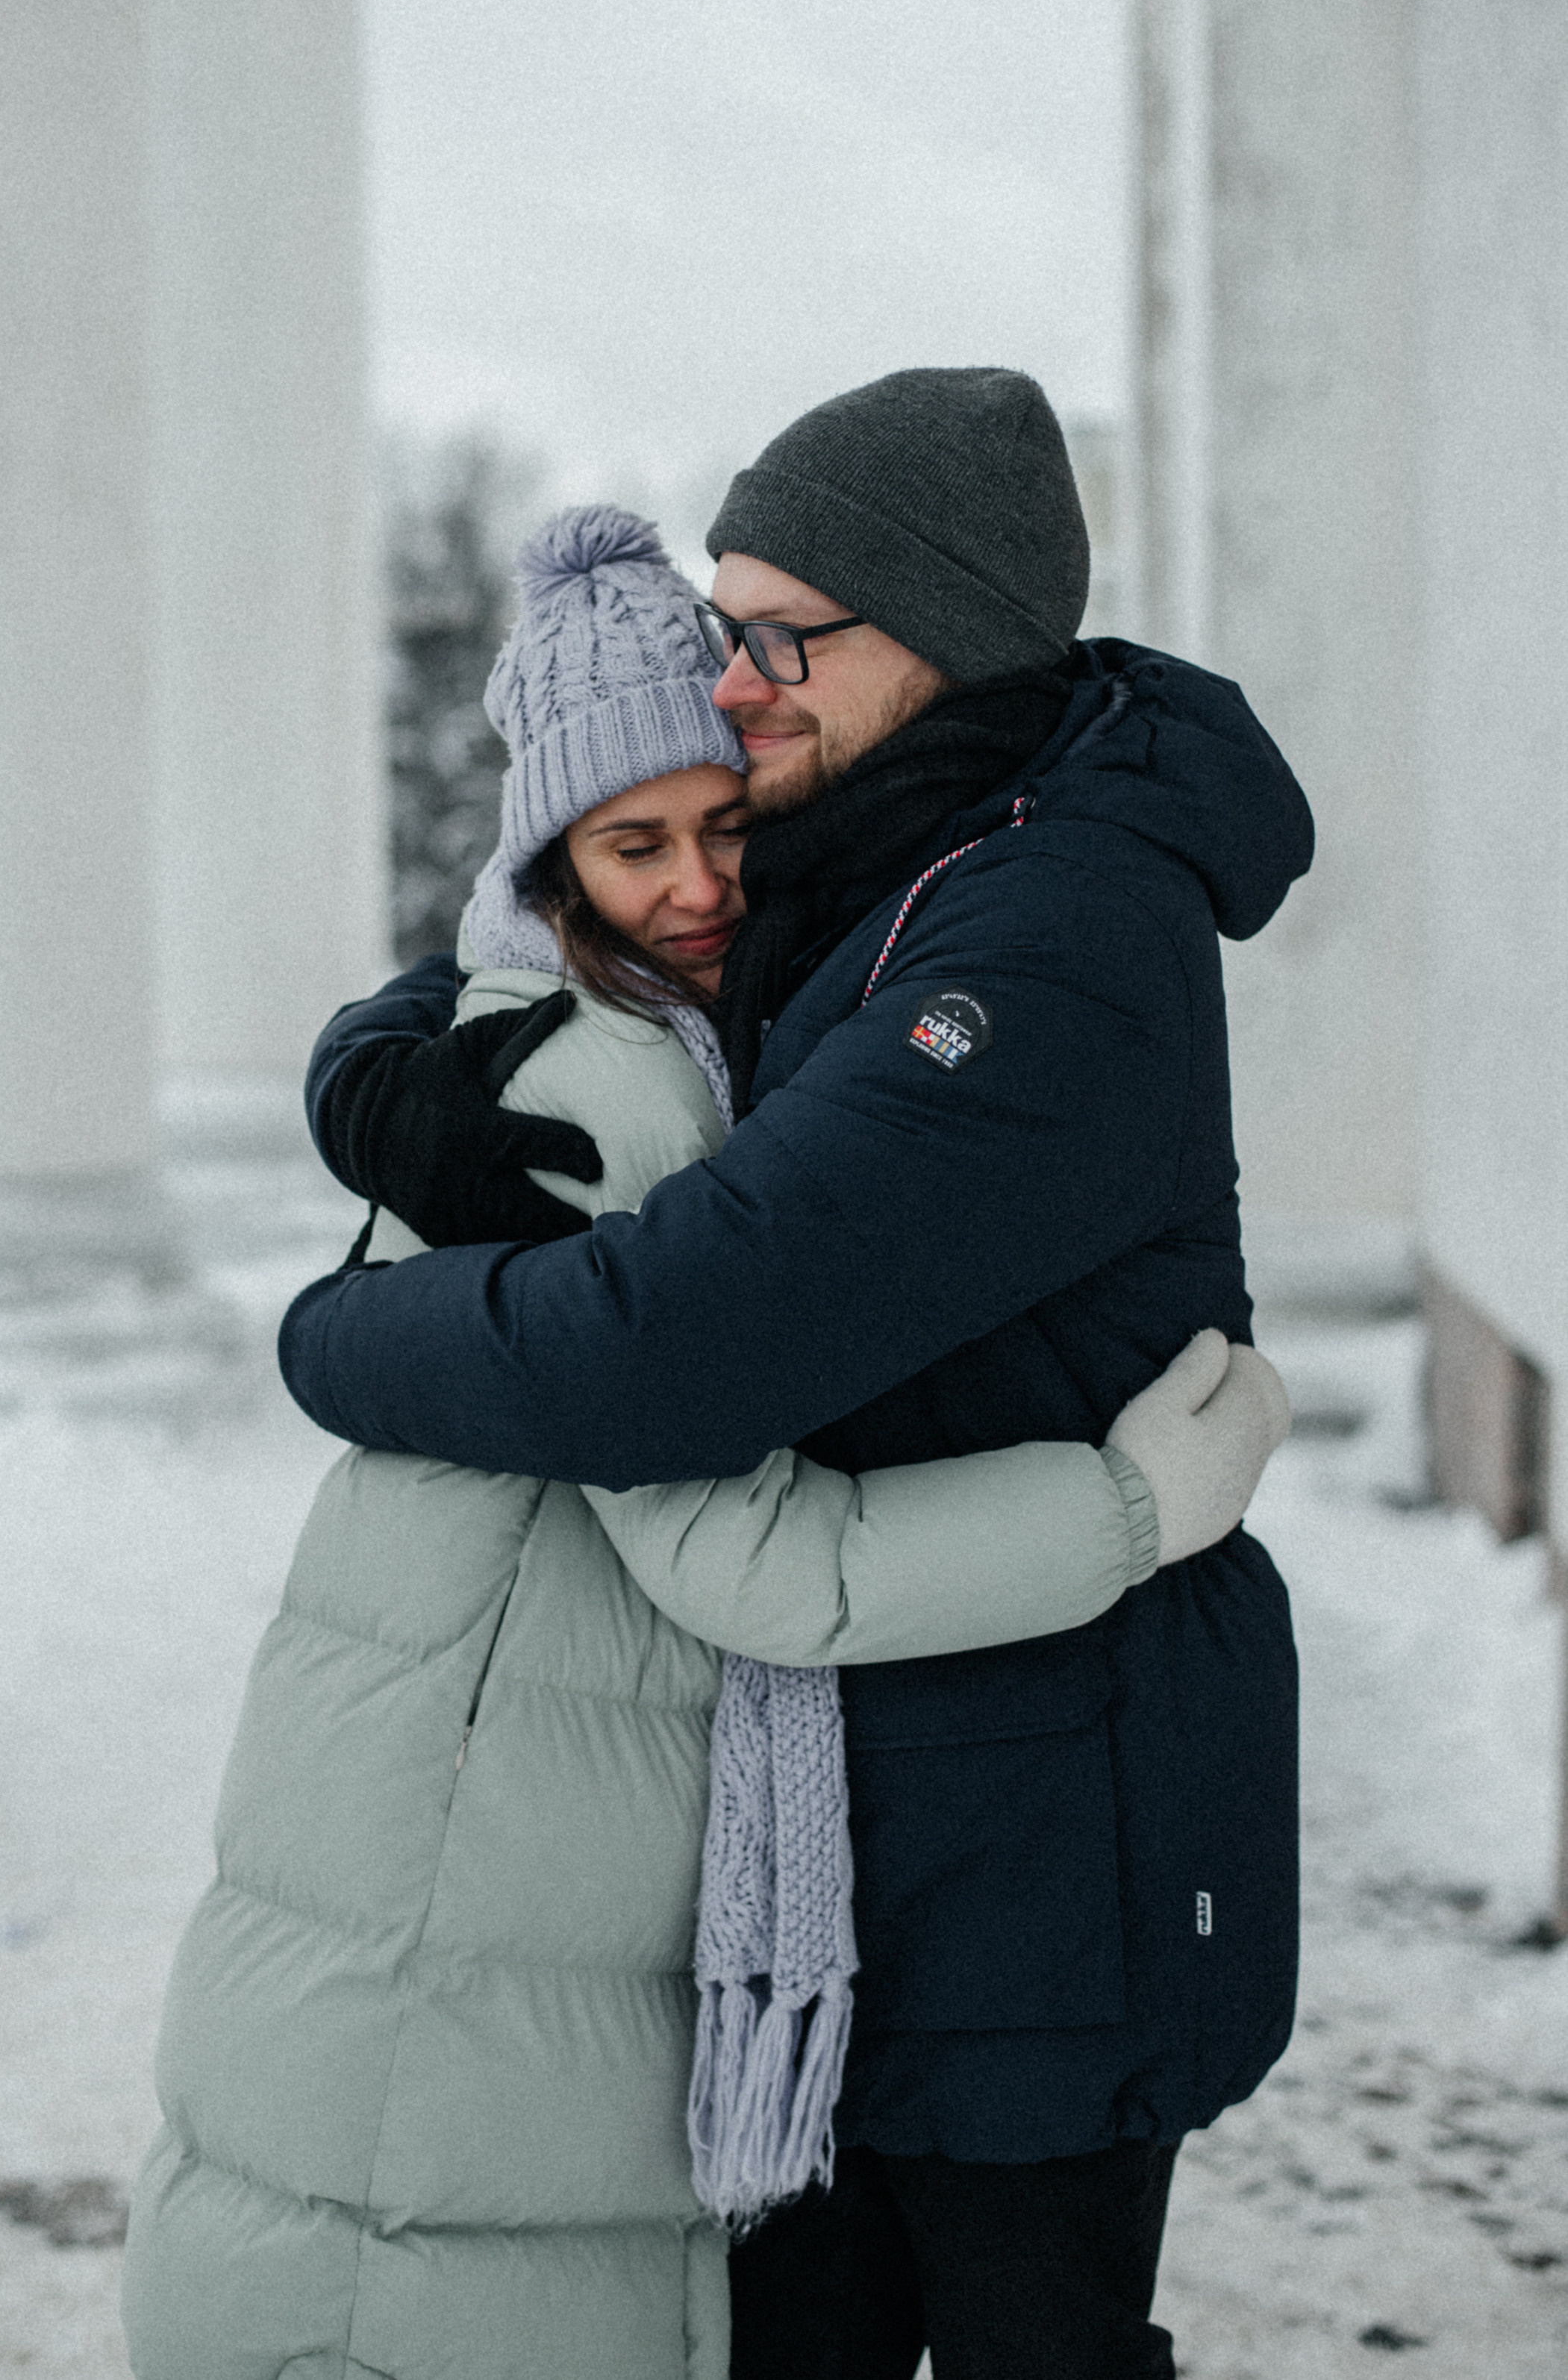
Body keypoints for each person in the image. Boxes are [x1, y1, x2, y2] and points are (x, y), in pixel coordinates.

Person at [120, 503, 1289, 2380]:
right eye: (634, 842)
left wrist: (356, 1183)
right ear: (555, 866)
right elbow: (728, 1509)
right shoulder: (617, 1078)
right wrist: (1133, 1503)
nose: (697, 881)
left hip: (538, 1798)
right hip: (491, 1824)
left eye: (727, 820)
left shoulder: (986, 921)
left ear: (935, 629)